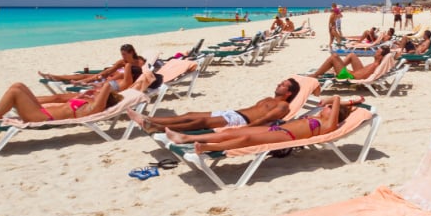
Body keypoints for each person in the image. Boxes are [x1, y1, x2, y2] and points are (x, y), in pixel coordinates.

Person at [163, 95, 360, 154]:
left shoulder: (328, 126)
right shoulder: (316, 118)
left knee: (247, 138)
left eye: (327, 108)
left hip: (286, 136)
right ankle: (187, 137)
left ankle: (207, 147)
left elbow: (333, 99)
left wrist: (340, 101)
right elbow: (324, 102)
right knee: (234, 130)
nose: (322, 108)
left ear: (334, 112)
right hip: (277, 128)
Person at [127, 78, 302, 132]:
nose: (278, 84)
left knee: (201, 123)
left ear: (288, 93)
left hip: (240, 120)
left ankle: (156, 127)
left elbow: (266, 118)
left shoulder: (283, 106)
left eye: (283, 85)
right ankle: (149, 119)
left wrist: (244, 128)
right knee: (190, 114)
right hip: (232, 113)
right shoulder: (268, 98)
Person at [0, 81, 122, 127]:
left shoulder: (94, 108)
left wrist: (107, 87)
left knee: (14, 92)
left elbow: (108, 85)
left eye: (100, 91)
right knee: (19, 86)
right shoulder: (88, 102)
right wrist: (82, 95)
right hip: (42, 111)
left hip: (41, 117)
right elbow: (62, 101)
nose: (97, 89)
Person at [40, 43, 146, 87]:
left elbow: (143, 76)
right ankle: (56, 77)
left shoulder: (140, 62)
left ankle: (82, 82)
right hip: (110, 76)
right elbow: (109, 71)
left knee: (87, 78)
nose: (123, 57)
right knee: (82, 76)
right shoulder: (122, 62)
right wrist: (99, 75)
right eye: (121, 54)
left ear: (131, 52)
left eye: (124, 54)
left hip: (117, 80)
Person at [312, 45, 392, 80]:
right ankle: (336, 67)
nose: (375, 52)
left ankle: (315, 75)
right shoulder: (375, 63)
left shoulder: (375, 65)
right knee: (352, 55)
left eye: (377, 52)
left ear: (380, 56)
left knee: (334, 56)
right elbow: (363, 72)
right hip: (353, 73)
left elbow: (360, 77)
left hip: (349, 76)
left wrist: (350, 72)